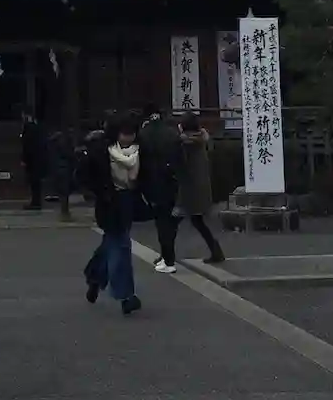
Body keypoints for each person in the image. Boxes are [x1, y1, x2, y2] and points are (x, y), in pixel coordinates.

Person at [81, 114, 144, 315]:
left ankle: (95, 277)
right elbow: (85, 175)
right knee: (121, 246)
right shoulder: (102, 151)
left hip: (127, 200)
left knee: (111, 244)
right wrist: (102, 193)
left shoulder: (137, 150)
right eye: (125, 133)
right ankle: (126, 296)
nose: (129, 137)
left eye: (132, 133)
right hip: (109, 203)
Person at [163, 112, 226, 266]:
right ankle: (216, 250)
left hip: (188, 190)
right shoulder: (201, 141)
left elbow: (180, 166)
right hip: (200, 188)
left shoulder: (185, 144)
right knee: (197, 222)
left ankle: (166, 256)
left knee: (171, 224)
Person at [138, 103, 184, 275]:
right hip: (172, 182)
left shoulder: (143, 134)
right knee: (169, 221)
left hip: (153, 183)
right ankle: (166, 255)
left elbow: (140, 161)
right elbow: (181, 160)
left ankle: (168, 259)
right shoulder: (171, 132)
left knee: (162, 222)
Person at [20, 107, 48, 211]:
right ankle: (36, 201)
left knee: (34, 181)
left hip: (33, 159)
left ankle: (35, 202)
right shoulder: (38, 126)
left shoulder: (28, 127)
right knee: (36, 181)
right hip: (39, 157)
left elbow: (27, 145)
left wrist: (24, 159)